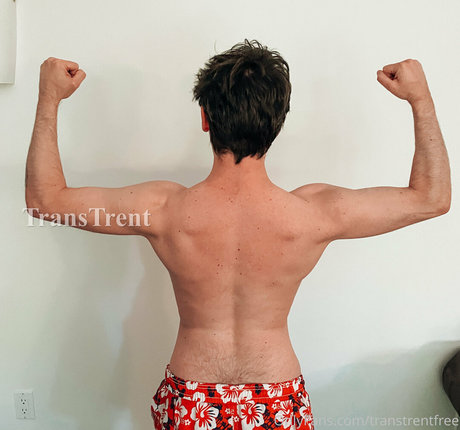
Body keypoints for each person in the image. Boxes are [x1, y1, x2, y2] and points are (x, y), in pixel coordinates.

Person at [25, 39, 451, 429]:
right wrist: (421, 99)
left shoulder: (163, 210)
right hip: (277, 401)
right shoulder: (314, 215)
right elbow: (431, 198)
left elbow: (45, 201)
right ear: (277, 122)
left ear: (205, 118)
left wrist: (49, 98)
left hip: (192, 400)